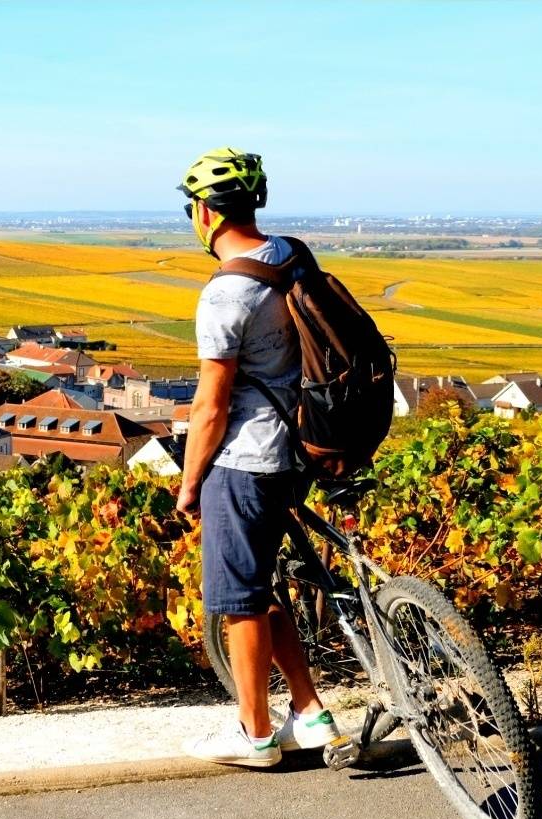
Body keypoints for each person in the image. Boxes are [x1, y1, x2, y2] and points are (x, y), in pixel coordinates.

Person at [174, 147, 340, 767]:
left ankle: (255, 734)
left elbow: (211, 407)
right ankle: (310, 711)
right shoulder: (291, 255)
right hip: (302, 446)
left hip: (247, 461)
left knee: (238, 598)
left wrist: (191, 484)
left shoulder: (225, 295)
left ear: (203, 214)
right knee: (262, 582)